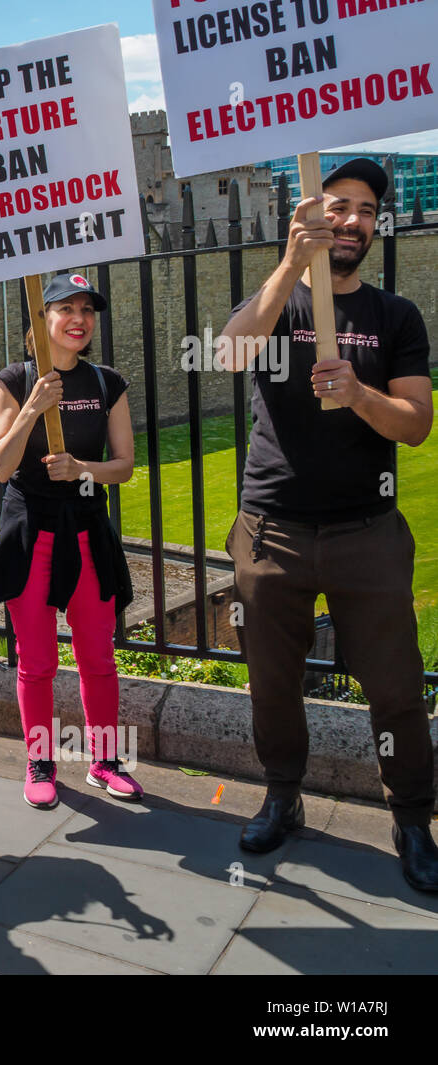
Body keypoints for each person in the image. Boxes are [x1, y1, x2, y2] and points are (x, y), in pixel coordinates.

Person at [217, 157, 437, 892]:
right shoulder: (282, 303)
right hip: (272, 530)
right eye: (338, 206)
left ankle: (410, 816)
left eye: (366, 210)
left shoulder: (395, 317)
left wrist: (361, 395)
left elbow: (415, 425)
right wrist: (288, 263)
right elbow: (229, 350)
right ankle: (284, 795)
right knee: (271, 683)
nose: (351, 220)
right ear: (313, 214)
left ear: (378, 224)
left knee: (397, 686)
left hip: (365, 532)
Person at [0, 275, 138, 810]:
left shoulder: (108, 383)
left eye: (87, 309)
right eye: (65, 307)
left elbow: (124, 467)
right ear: (41, 321)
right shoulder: (16, 380)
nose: (79, 319)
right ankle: (41, 760)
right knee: (37, 660)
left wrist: (80, 467)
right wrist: (33, 407)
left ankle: (105, 761)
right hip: (31, 534)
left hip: (88, 532)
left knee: (98, 656)